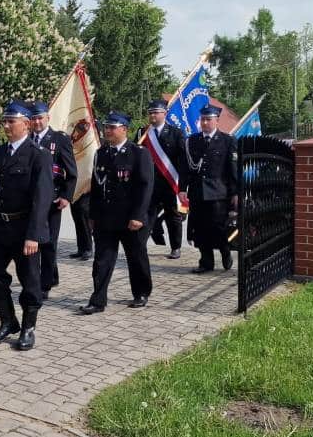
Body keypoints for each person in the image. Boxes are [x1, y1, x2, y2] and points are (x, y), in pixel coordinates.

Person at [0, 100, 53, 350]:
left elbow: (42, 198)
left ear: (26, 124)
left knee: (29, 280)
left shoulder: (38, 155)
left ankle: (28, 327)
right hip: (0, 227)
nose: (6, 126)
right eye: (5, 121)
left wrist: (34, 235)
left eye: (11, 121)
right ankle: (7, 321)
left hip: (25, 228)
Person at [79, 112, 154, 314]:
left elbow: (145, 187)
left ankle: (141, 293)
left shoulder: (139, 153)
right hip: (106, 218)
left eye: (112, 127)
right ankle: (98, 300)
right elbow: (96, 186)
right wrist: (93, 215)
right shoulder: (101, 153)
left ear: (124, 129)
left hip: (130, 218)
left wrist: (138, 216)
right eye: (106, 127)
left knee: (136, 258)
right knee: (102, 260)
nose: (108, 131)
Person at [179, 104, 238, 274]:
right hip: (197, 192)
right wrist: (182, 188)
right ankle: (206, 262)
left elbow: (233, 169)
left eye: (208, 119)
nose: (204, 123)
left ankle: (225, 251)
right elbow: (185, 168)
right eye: (202, 119)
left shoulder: (227, 140)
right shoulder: (192, 141)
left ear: (217, 121)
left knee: (218, 227)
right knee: (200, 228)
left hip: (218, 192)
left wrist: (235, 192)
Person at [29, 101, 78, 297]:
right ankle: (49, 276)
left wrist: (66, 196)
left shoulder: (59, 139)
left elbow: (71, 171)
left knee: (48, 243)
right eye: (33, 118)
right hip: (30, 198)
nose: (37, 122)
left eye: (40, 118)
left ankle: (45, 285)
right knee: (33, 239)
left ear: (48, 118)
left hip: (53, 198)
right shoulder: (27, 139)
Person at [136, 100, 185, 259]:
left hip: (169, 182)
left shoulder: (176, 133)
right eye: (150, 113)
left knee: (173, 216)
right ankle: (140, 245)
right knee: (146, 215)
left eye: (156, 112)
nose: (152, 115)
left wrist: (182, 184)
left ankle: (176, 247)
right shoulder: (143, 132)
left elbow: (182, 159)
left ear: (165, 114)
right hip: (149, 182)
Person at [68, 119, 95, 261]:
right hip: (75, 183)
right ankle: (81, 247)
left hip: (87, 183)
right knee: (76, 216)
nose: (75, 132)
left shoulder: (93, 133)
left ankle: (88, 248)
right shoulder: (73, 136)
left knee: (84, 215)